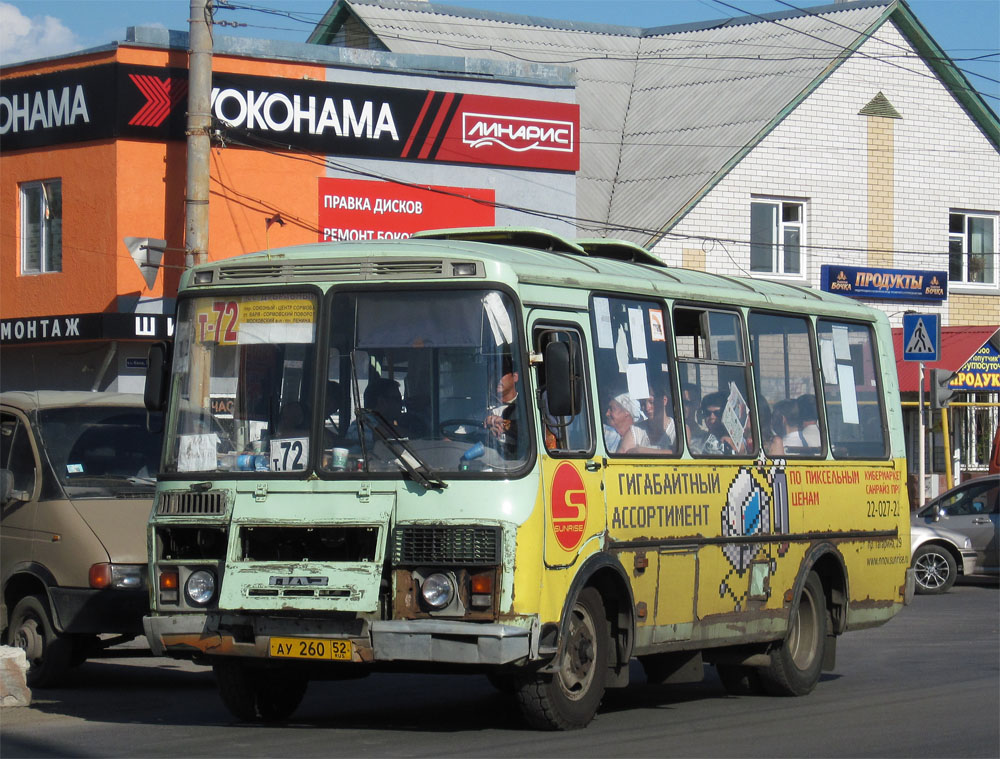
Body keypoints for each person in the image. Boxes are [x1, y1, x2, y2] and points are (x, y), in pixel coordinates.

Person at [485, 355, 520, 458]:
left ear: (515, 377)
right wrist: (485, 428)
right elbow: (452, 438)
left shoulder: (525, 408)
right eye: (493, 373)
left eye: (501, 372)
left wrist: (504, 424)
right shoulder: (483, 409)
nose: (496, 376)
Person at [639, 380, 677, 452]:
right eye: (643, 404)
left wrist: (639, 451)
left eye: (651, 402)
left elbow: (675, 455)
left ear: (664, 401)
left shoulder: (678, 430)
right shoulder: (637, 430)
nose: (647, 408)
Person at [699, 391, 742, 455]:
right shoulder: (699, 439)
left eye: (717, 413)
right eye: (707, 413)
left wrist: (735, 447)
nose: (712, 417)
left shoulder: (737, 440)